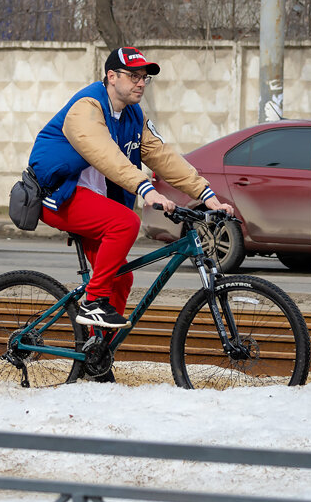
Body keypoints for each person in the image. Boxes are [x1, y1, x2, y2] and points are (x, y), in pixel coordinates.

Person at [29, 46, 234, 329]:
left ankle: (98, 357)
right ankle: (92, 302)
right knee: (126, 222)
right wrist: (145, 189)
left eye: (144, 78)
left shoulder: (133, 115)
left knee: (122, 277)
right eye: (133, 76)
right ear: (111, 76)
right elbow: (105, 155)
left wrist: (205, 194)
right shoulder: (86, 107)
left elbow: (161, 155)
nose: (140, 83)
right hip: (58, 194)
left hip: (93, 200)